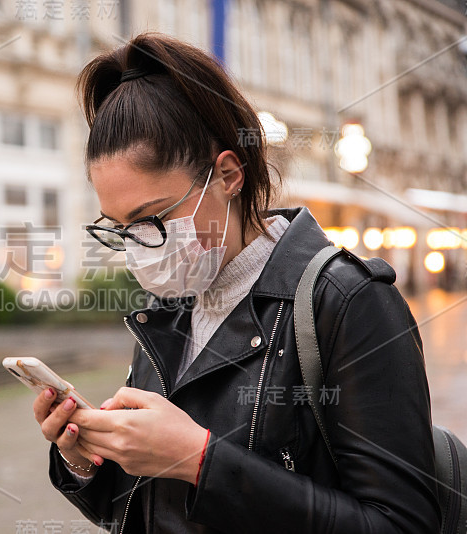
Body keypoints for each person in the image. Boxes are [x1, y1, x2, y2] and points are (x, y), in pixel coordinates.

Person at [31, 32, 441, 533]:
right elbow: (148, 507)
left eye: (153, 217)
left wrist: (200, 460)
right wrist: (85, 457)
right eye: (120, 228)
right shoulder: (171, 305)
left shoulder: (346, 302)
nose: (139, 246)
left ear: (228, 174)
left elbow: (402, 523)